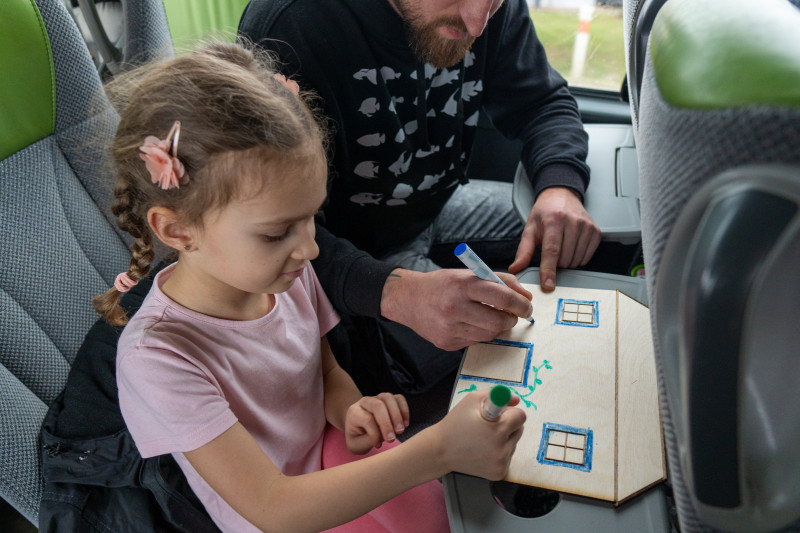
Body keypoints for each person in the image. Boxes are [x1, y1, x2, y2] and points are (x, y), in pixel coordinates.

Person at [93, 41, 526, 532]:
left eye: (311, 220)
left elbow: (324, 371)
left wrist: (351, 409)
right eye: (277, 233)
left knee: (447, 521)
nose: (311, 249)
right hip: (286, 511)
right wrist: (440, 449)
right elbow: (273, 507)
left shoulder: (283, 275)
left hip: (328, 450)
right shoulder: (158, 357)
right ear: (177, 230)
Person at [238, 0, 602, 394]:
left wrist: (559, 186)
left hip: (437, 210)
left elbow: (542, 103)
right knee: (499, 356)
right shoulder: (291, 25)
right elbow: (271, 236)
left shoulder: (488, 12)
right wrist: (395, 292)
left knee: (578, 239)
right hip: (343, 253)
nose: (477, 25)